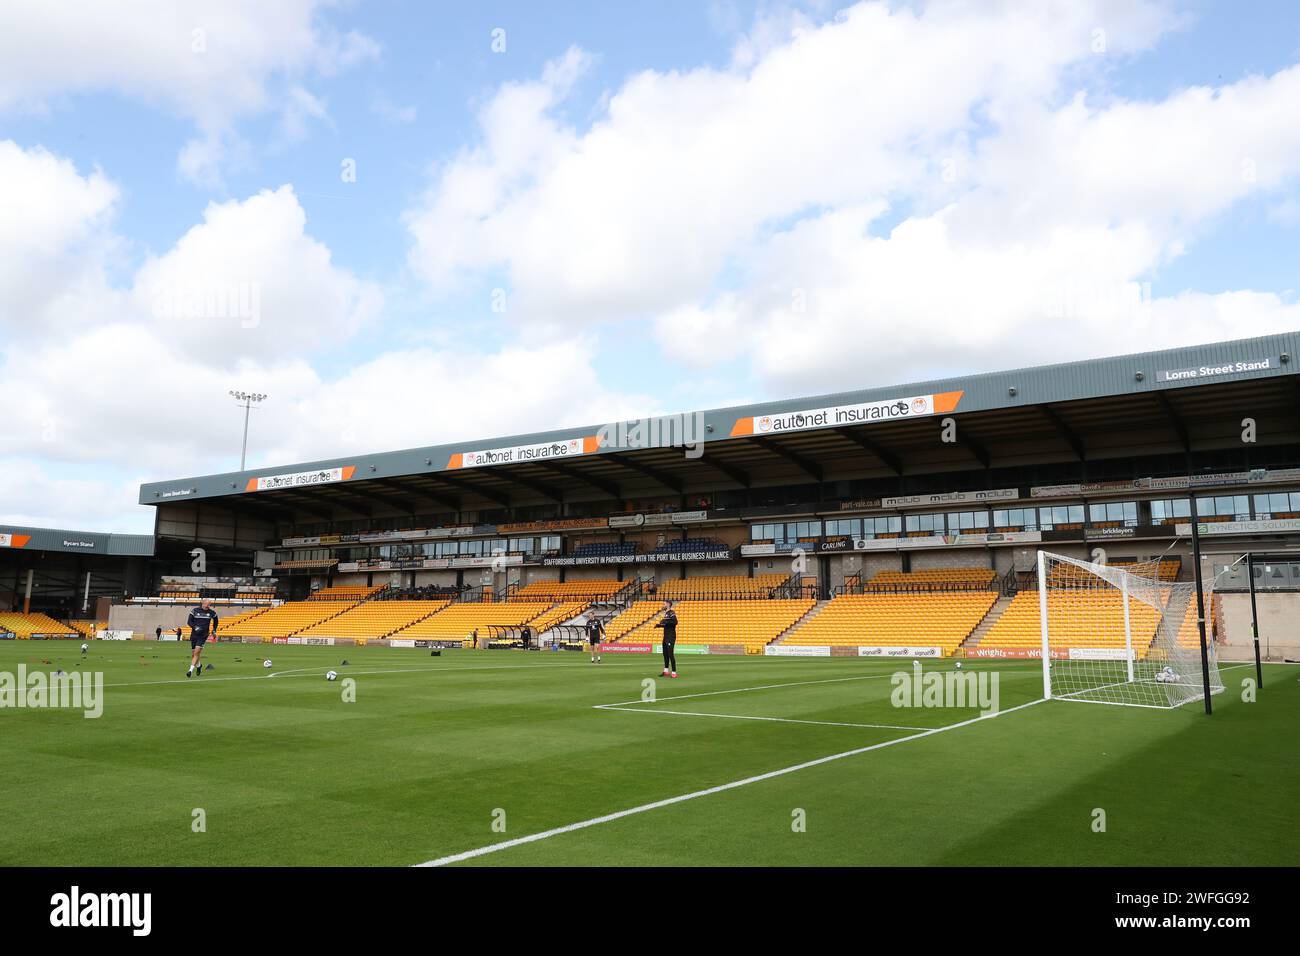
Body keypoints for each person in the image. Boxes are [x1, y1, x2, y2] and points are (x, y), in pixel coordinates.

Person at [185, 598, 219, 678]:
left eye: (209, 604)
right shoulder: (195, 611)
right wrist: (195, 627)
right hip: (194, 635)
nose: (208, 606)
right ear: (202, 603)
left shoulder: (212, 613)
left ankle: (190, 671)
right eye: (207, 604)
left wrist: (214, 630)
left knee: (196, 653)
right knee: (194, 654)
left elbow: (216, 621)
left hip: (203, 635)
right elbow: (189, 622)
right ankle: (199, 666)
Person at [654, 601, 678, 678]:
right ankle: (666, 671)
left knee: (670, 654)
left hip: (671, 636)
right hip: (666, 636)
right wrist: (659, 625)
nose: (663, 605)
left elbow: (675, 622)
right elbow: (666, 624)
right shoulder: (666, 614)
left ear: (668, 605)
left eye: (664, 604)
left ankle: (674, 672)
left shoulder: (671, 613)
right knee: (665, 654)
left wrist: (666, 622)